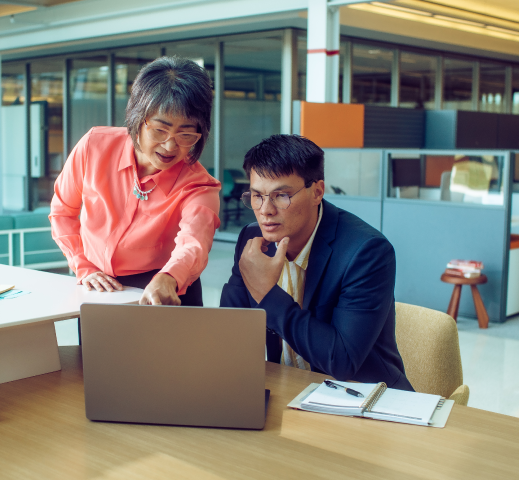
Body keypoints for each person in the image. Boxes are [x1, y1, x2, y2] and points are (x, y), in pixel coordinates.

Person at [220, 135, 413, 391]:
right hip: (287, 389)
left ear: (317, 192)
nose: (265, 210)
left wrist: (267, 294)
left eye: (281, 195)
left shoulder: (366, 252)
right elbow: (228, 332)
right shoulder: (252, 239)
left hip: (364, 397)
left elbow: (342, 361)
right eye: (257, 196)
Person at [50, 56, 220, 306]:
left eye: (186, 133)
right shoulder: (94, 146)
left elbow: (193, 242)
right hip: (96, 283)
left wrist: (169, 277)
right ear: (137, 117)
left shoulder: (199, 185)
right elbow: (62, 212)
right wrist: (82, 265)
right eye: (160, 130)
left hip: (165, 287)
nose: (170, 145)